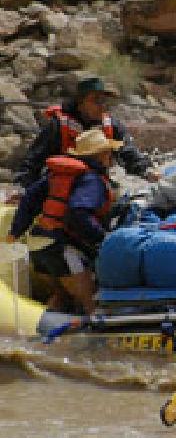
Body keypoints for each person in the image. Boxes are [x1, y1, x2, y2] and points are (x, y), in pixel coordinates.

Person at [4, 129, 121, 315]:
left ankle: (41, 339)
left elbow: (29, 199)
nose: (112, 158)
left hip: (37, 245)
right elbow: (77, 212)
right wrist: (102, 239)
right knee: (89, 302)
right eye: (109, 153)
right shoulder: (92, 180)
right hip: (61, 248)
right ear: (102, 155)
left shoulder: (58, 175)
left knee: (62, 297)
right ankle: (95, 340)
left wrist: (15, 232)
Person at [13, 76, 158, 190]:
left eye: (104, 101)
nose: (102, 106)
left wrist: (146, 171)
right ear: (80, 103)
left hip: (94, 186)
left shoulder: (111, 125)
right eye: (96, 100)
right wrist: (21, 187)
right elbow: (33, 161)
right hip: (62, 186)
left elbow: (128, 152)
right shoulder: (58, 126)